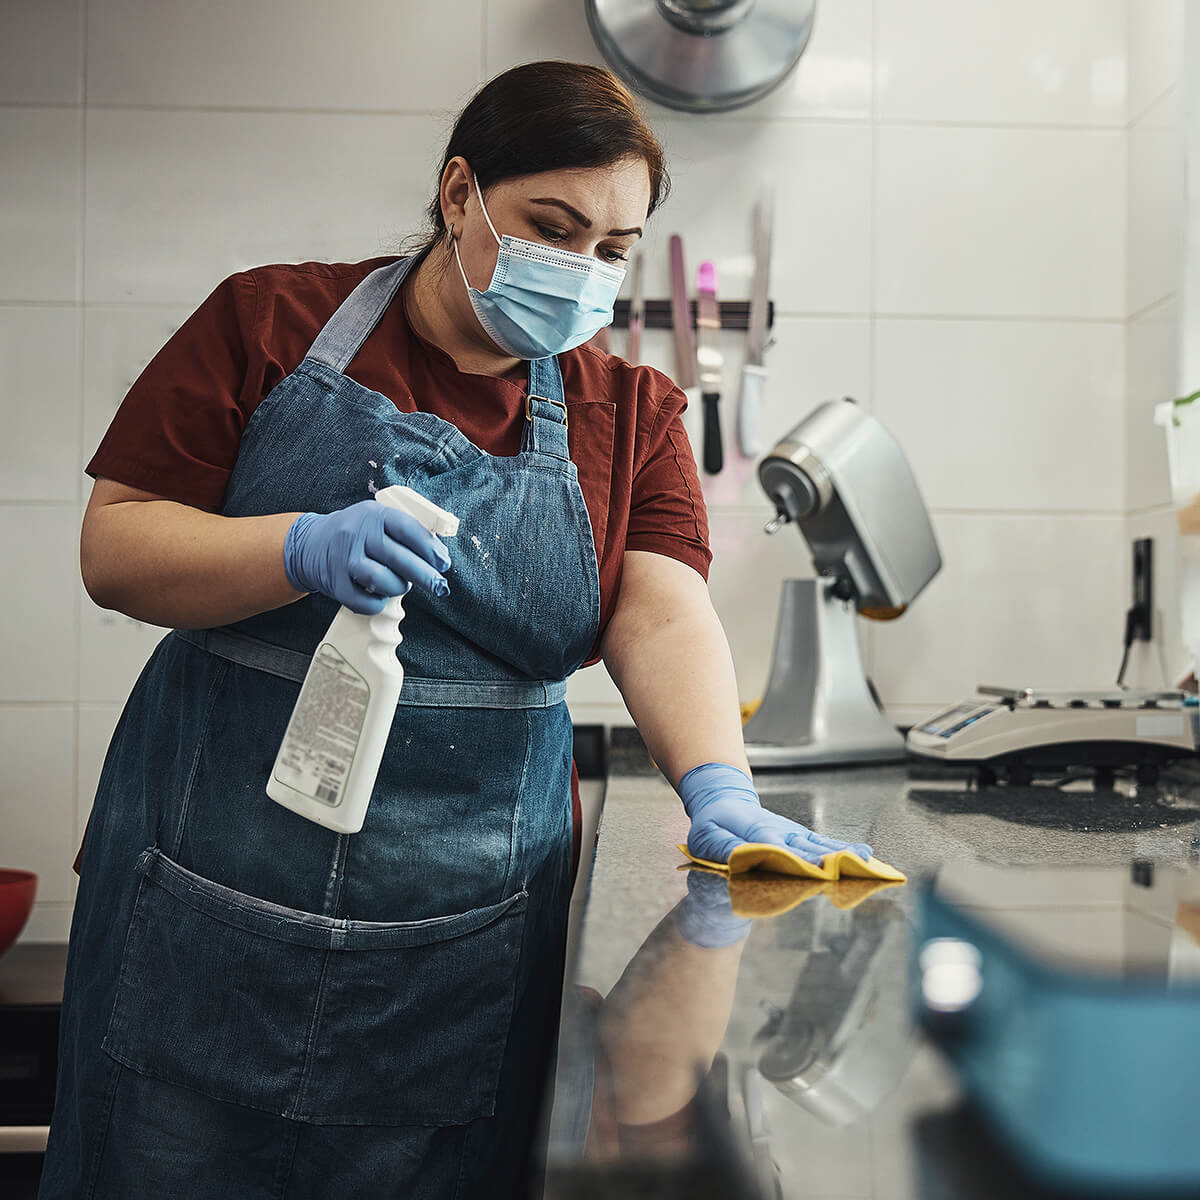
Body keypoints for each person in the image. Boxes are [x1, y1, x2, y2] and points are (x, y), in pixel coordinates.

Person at [40, 60, 872, 1200]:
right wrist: (295, 548)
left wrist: (716, 788)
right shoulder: (269, 321)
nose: (580, 269)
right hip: (205, 912)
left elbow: (662, 608)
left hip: (460, 954)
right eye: (551, 226)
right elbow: (118, 547)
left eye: (612, 248)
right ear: (457, 192)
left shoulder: (628, 414)